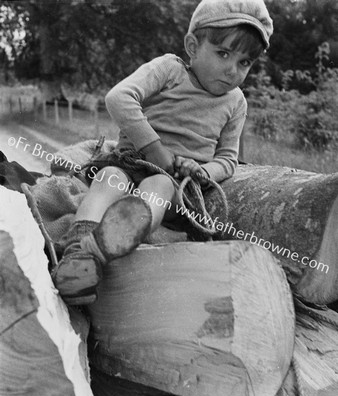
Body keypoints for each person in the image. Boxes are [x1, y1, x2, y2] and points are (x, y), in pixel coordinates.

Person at [52, 0, 273, 305]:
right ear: (193, 45)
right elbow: (119, 98)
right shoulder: (170, 70)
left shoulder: (236, 103)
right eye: (223, 54)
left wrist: (203, 171)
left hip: (172, 179)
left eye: (245, 62)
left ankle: (108, 243)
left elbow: (228, 159)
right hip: (130, 159)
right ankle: (78, 252)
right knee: (108, 178)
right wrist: (154, 149)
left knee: (157, 189)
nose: (232, 70)